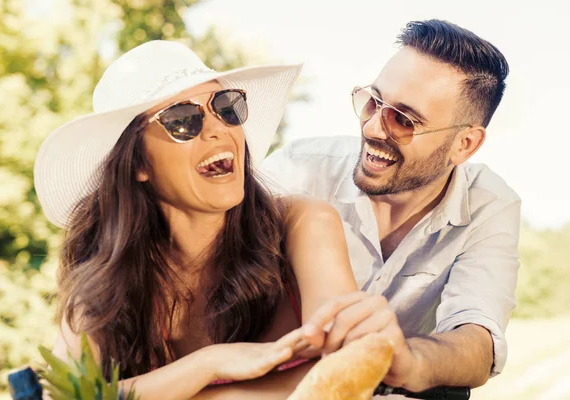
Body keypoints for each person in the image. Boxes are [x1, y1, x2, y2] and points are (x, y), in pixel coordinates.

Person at [35, 40, 359, 399]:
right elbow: (64, 396)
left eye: (225, 107)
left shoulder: (303, 222)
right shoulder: (105, 279)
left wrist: (211, 393)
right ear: (139, 163)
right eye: (182, 120)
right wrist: (210, 364)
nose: (218, 128)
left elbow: (346, 370)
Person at [262, 19, 521, 394]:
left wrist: (404, 358)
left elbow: (477, 340)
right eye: (372, 101)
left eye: (403, 119)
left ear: (463, 145)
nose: (371, 128)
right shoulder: (297, 169)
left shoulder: (488, 204)